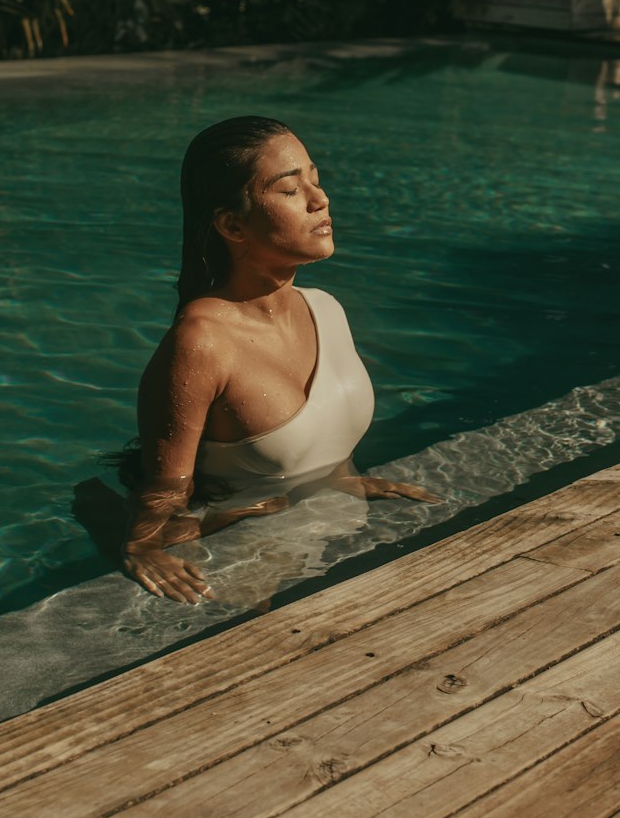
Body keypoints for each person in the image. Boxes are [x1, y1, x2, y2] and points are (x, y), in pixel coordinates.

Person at [74, 116, 440, 604]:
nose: (320, 198)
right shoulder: (202, 341)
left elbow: (320, 435)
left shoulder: (326, 309)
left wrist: (340, 481)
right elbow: (167, 485)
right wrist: (142, 547)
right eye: (290, 189)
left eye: (315, 176)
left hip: (325, 526)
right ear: (232, 224)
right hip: (240, 553)